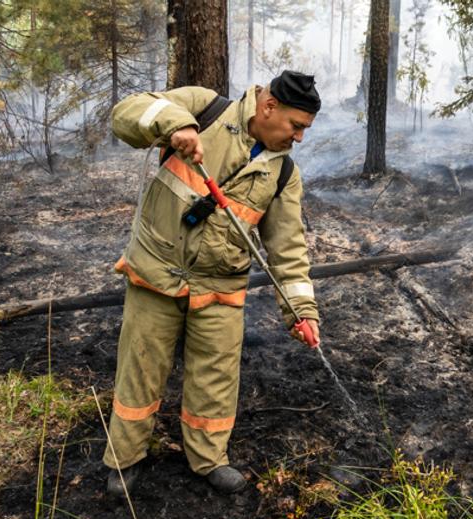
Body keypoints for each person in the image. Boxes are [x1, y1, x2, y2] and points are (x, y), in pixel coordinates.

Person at [104, 71, 322, 495]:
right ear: (269, 106)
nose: (298, 138)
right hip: (156, 273)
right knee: (140, 369)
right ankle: (125, 459)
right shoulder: (204, 108)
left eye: (304, 130)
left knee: (216, 379)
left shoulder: (283, 174)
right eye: (296, 126)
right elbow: (125, 114)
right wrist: (174, 124)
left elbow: (288, 249)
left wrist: (302, 312)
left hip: (220, 287)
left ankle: (207, 460)